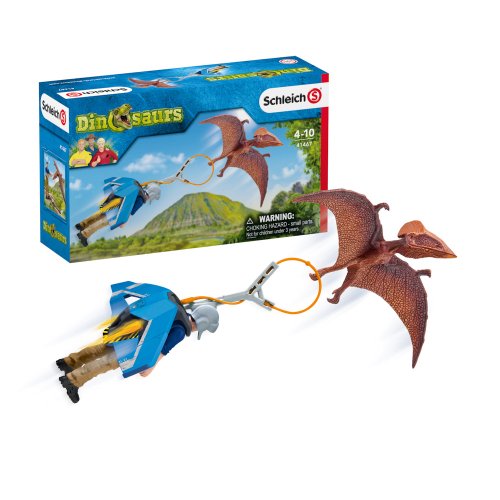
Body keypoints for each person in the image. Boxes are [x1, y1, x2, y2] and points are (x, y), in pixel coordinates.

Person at [56, 290, 220, 403]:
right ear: (202, 323)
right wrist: (149, 367)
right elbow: (161, 351)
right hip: (134, 342)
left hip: (129, 326)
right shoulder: (180, 331)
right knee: (108, 362)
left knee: (101, 348)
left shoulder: (176, 308)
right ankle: (72, 381)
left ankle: (68, 362)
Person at [75, 178, 161, 246]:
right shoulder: (141, 199)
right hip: (118, 209)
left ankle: (82, 224)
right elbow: (130, 212)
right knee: (103, 222)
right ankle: (84, 234)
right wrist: (122, 222)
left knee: (100, 214)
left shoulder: (135, 185)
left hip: (112, 198)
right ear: (152, 195)